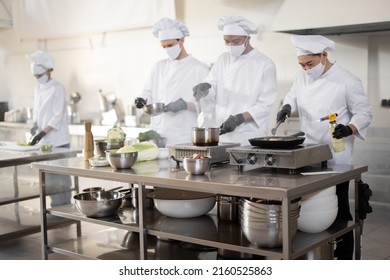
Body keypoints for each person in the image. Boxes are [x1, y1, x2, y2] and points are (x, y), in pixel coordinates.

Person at [276, 35, 373, 259]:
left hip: (335, 156)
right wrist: (287, 106)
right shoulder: (302, 76)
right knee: (309, 210)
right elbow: (292, 95)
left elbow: (364, 113)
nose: (306, 68)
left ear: (324, 56)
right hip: (308, 155)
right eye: (301, 64)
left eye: (309, 63)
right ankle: (310, 254)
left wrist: (349, 128)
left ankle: (345, 257)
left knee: (339, 210)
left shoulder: (348, 80)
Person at [193, 16, 277, 146]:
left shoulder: (265, 64)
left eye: (236, 41)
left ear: (247, 39)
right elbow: (212, 87)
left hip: (249, 135)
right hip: (222, 133)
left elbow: (265, 104)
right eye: (227, 41)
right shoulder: (223, 59)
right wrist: (205, 89)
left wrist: (240, 118)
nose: (231, 45)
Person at [134, 17, 209, 146]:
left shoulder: (199, 69)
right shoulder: (158, 67)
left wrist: (185, 105)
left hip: (182, 136)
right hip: (157, 134)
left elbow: (209, 106)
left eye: (170, 45)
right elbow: (148, 91)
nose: (167, 49)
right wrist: (142, 99)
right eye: (163, 46)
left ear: (182, 41)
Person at [27, 50, 72, 207]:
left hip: (58, 141)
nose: (38, 79)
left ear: (48, 70)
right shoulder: (38, 88)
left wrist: (41, 133)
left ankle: (64, 207)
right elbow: (37, 111)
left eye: (39, 76)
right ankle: (55, 208)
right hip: (45, 141)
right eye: (36, 77)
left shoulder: (57, 88)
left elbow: (57, 117)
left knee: (60, 179)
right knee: (50, 179)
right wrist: (34, 124)